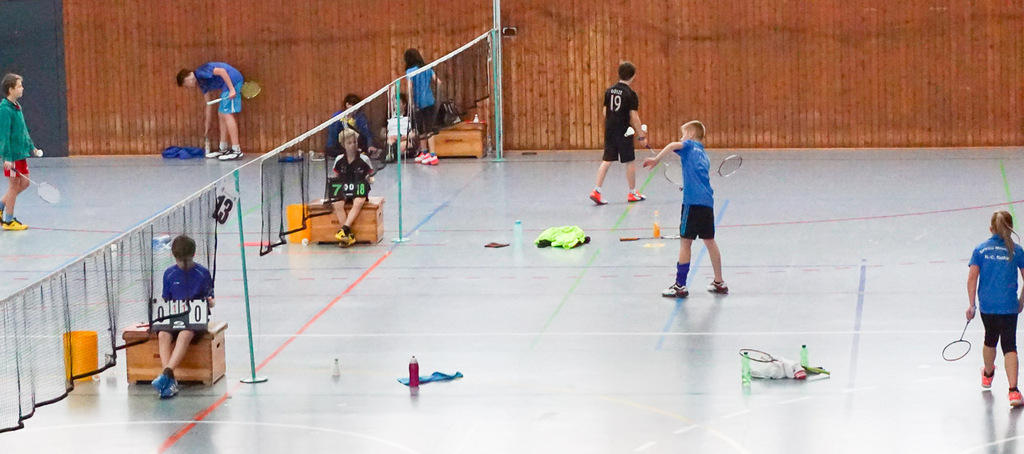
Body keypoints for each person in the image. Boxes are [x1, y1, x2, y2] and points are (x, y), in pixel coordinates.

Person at [643, 121, 728, 298]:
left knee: (685, 242)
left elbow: (672, 145)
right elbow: (698, 176)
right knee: (710, 241)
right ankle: (719, 282)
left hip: (692, 203)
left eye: (683, 134)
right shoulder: (704, 155)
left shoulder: (688, 146)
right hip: (707, 202)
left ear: (690, 134)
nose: (681, 138)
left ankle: (680, 286)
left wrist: (656, 159)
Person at [966, 210, 1024, 407]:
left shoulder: (980, 250)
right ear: (1011, 228)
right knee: (1009, 345)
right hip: (1009, 306)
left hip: (988, 306)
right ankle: (1013, 392)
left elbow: (972, 278)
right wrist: (1021, 301)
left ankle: (988, 374)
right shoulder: (1017, 251)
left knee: (990, 339)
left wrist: (971, 305)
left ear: (991, 229)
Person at [151, 235, 215, 399]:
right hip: (174, 316)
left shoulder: (203, 273)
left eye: (186, 261)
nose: (183, 264)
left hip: (194, 320)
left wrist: (209, 302)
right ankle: (169, 380)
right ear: (174, 257)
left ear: (193, 255)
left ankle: (166, 374)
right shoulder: (169, 274)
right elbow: (166, 300)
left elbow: (212, 301)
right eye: (180, 261)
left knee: (185, 334)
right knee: (163, 334)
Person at [589, 61, 648, 205]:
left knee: (607, 160)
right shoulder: (630, 94)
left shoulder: (609, 91)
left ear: (619, 74)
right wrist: (641, 135)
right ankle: (632, 193)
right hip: (624, 131)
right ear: (633, 76)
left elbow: (605, 112)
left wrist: (613, 122)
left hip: (610, 129)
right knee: (629, 160)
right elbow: (634, 116)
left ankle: (596, 190)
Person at [176, 62, 245, 161]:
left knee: (227, 114)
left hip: (233, 80)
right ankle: (223, 148)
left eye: (185, 85)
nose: (188, 87)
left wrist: (231, 89)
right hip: (226, 86)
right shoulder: (201, 83)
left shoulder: (201, 72)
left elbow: (222, 71)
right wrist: (207, 126)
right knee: (221, 113)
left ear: (186, 79)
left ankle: (237, 150)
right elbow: (208, 104)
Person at [0, 73, 41, 231]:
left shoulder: (16, 106)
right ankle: (8, 221)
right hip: (11, 156)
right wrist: (6, 158)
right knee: (13, 186)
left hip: (20, 154)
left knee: (25, 183)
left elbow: (22, 130)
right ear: (11, 89)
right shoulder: (4, 110)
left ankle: (1, 206)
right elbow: (3, 136)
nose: (22, 88)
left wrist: (32, 147)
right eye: (19, 86)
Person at [329, 129, 374, 248]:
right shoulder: (339, 160)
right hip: (344, 189)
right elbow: (336, 177)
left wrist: (370, 179)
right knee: (337, 203)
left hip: (358, 189)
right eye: (349, 143)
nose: (353, 145)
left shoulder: (364, 159)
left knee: (358, 201)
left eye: (355, 142)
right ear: (343, 145)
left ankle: (344, 229)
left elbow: (370, 175)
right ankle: (347, 236)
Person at [403, 48, 441, 166]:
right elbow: (438, 82)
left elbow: (409, 87)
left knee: (424, 129)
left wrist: (411, 103)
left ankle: (433, 155)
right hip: (430, 101)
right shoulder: (427, 68)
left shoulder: (410, 71)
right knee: (426, 128)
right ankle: (425, 153)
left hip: (418, 103)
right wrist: (437, 96)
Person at [326, 93, 378, 158]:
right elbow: (332, 135)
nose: (356, 109)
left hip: (356, 144)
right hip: (338, 146)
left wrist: (370, 145)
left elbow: (367, 132)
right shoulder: (337, 117)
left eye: (357, 107)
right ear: (347, 104)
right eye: (354, 106)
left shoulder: (360, 117)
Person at [386, 93, 417, 161]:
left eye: (397, 104)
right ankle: (390, 153)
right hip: (392, 139)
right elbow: (382, 134)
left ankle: (392, 153)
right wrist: (389, 136)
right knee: (390, 141)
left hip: (405, 140)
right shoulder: (389, 115)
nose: (395, 106)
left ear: (404, 104)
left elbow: (414, 134)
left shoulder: (410, 116)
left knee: (402, 145)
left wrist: (405, 137)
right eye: (394, 104)